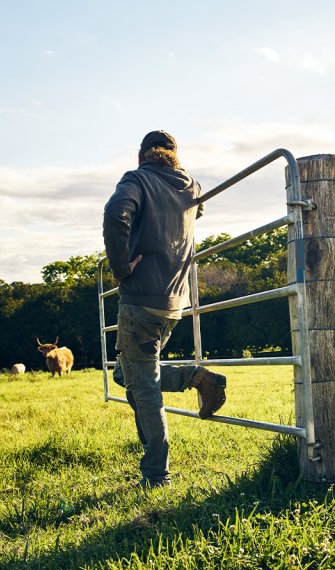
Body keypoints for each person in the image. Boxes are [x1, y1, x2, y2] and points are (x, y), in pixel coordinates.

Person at [103, 130, 227, 488]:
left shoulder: (137, 179)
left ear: (142, 155)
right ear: (175, 155)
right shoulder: (191, 186)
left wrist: (121, 267)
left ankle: (156, 476)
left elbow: (116, 214)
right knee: (127, 376)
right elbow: (198, 209)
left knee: (143, 389)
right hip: (174, 303)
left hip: (140, 299)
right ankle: (197, 378)